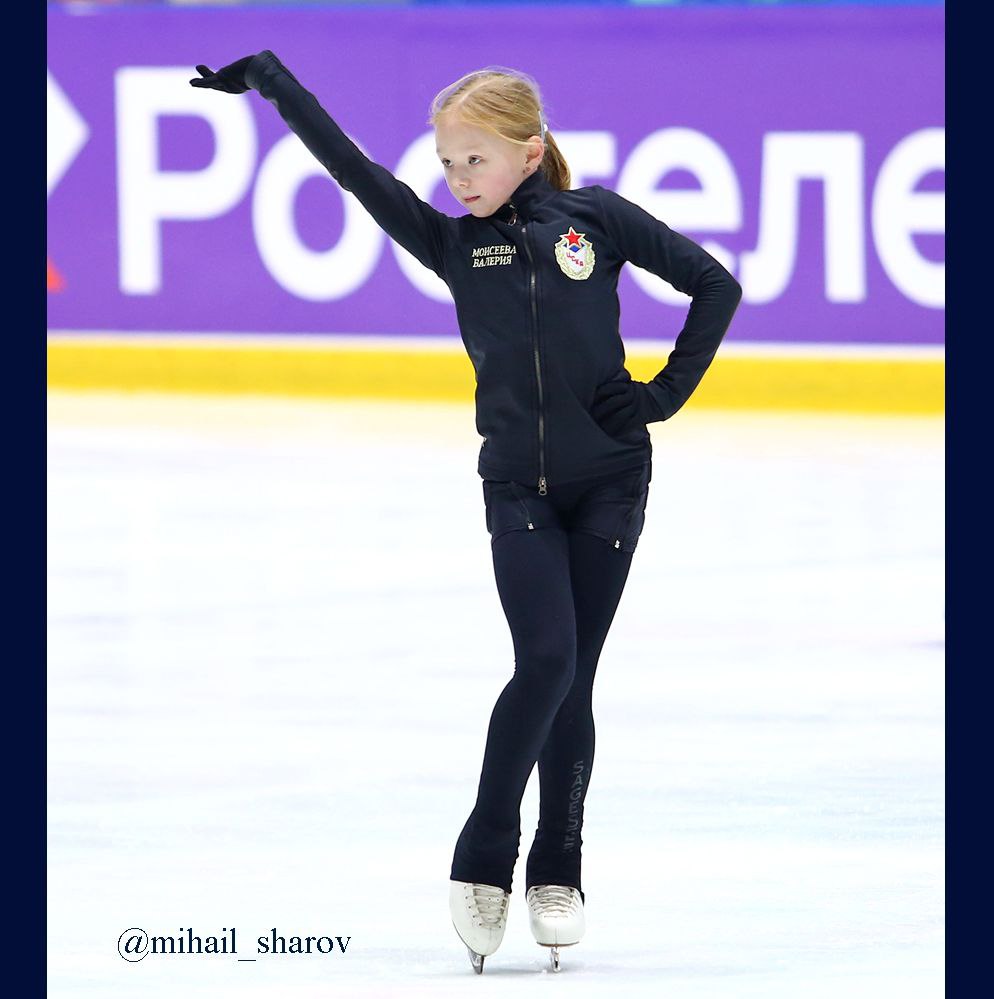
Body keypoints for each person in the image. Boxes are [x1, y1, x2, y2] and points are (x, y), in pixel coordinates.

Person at [191, 52, 742, 974]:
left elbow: (715, 283)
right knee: (548, 660)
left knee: (575, 678)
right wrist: (275, 83)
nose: (457, 177)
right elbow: (352, 168)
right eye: (447, 162)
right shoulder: (451, 242)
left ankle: (558, 865)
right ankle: (486, 846)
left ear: (529, 151)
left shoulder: (596, 219)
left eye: (474, 159)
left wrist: (662, 396)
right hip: (516, 487)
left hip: (612, 481)